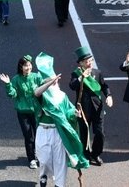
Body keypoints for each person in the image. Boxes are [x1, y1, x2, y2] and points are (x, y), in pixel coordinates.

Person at [33, 52, 89, 187]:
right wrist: (49, 82)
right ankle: (43, 175)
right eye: (52, 80)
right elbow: (36, 93)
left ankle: (59, 184)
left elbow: (68, 111)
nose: (55, 82)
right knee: (44, 159)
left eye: (56, 80)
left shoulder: (62, 96)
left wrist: (75, 113)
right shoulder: (42, 95)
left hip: (58, 132)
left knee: (60, 161)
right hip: (43, 130)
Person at [70, 46, 112, 166]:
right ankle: (86, 155)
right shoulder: (75, 74)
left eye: (90, 61)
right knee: (84, 134)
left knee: (100, 133)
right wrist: (81, 77)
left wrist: (108, 96)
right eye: (86, 61)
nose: (89, 63)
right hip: (83, 109)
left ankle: (96, 154)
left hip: (97, 108)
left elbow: (104, 86)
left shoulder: (97, 73)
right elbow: (72, 86)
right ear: (81, 63)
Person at [0, 55, 42, 170]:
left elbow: (44, 89)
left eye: (29, 65)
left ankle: (40, 156)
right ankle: (31, 158)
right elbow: (12, 94)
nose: (28, 68)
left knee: (39, 135)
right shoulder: (16, 79)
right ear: (21, 67)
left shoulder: (37, 77)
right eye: (25, 65)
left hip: (36, 111)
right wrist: (8, 84)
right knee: (28, 136)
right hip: (22, 112)